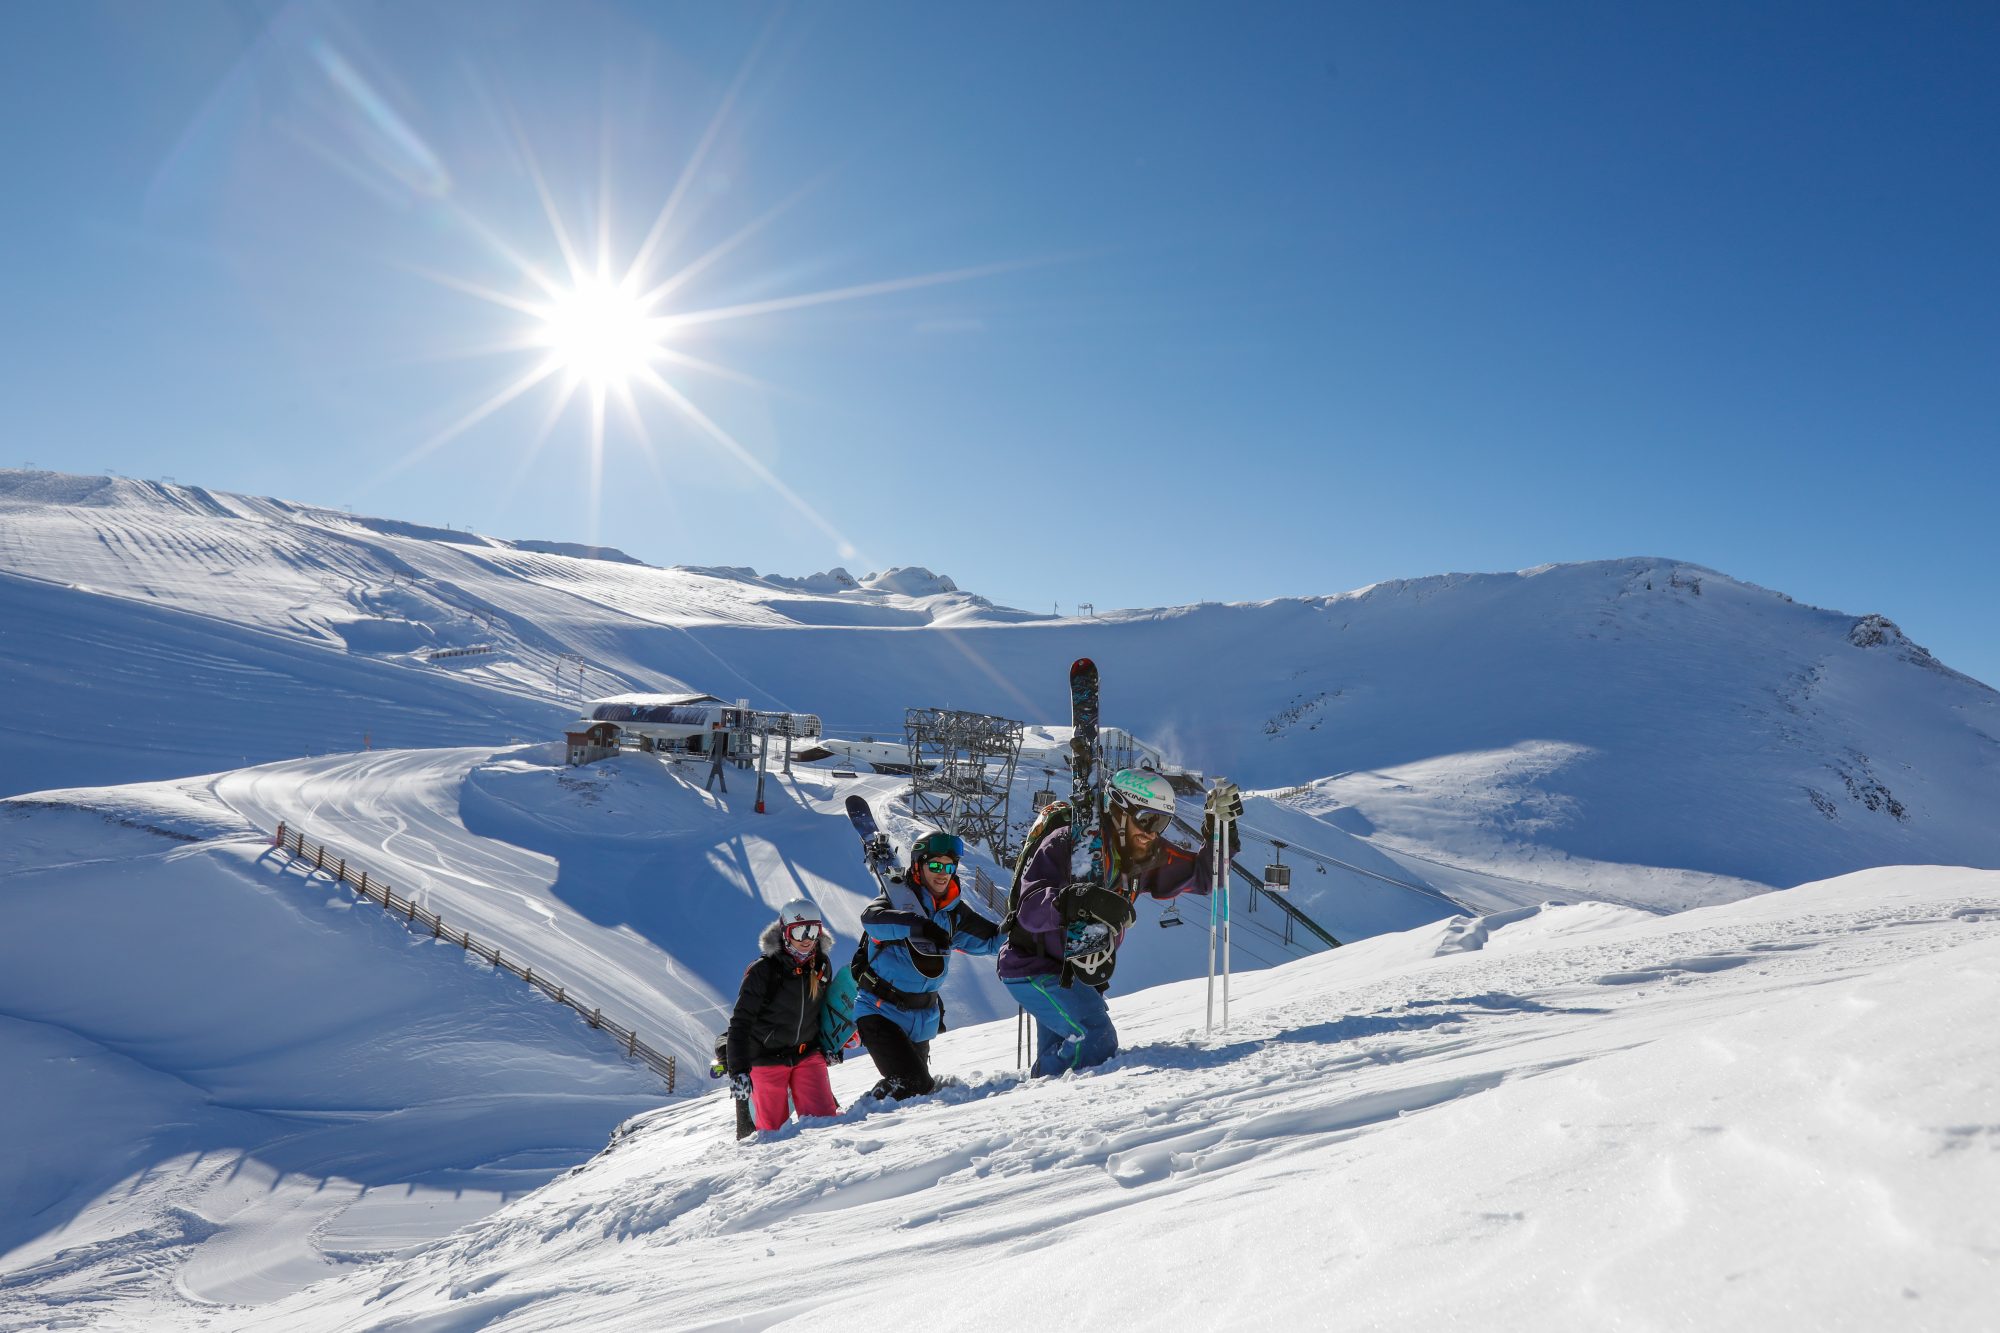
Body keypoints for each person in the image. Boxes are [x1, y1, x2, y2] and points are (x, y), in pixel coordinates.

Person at [997, 768, 1236, 1077]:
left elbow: (1206, 876)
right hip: (1034, 967)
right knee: (1096, 1039)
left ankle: (1046, 1105)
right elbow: (1029, 909)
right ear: (1118, 811)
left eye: (1161, 823)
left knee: (1066, 1063)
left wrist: (1220, 831)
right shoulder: (1067, 842)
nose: (1153, 832)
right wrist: (1079, 899)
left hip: (1079, 973)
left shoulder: (1144, 857)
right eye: (1147, 819)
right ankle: (1031, 1097)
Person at [851, 830, 1002, 1100]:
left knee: (917, 1093)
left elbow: (992, 941)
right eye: (935, 864)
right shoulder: (896, 899)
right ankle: (863, 1117)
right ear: (919, 866)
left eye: (949, 865)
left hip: (922, 1017)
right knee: (914, 1085)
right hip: (879, 1013)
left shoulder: (955, 913)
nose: (943, 872)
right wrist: (917, 925)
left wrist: (1024, 926)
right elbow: (871, 919)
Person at [725, 898, 839, 1132]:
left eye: (813, 930)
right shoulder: (764, 970)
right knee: (773, 1133)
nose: (807, 939)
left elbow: (823, 1011)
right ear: (786, 932)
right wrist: (738, 1071)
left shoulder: (821, 965)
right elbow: (741, 1022)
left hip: (807, 1054)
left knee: (826, 1123)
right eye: (799, 931)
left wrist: (832, 1045)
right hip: (766, 1058)